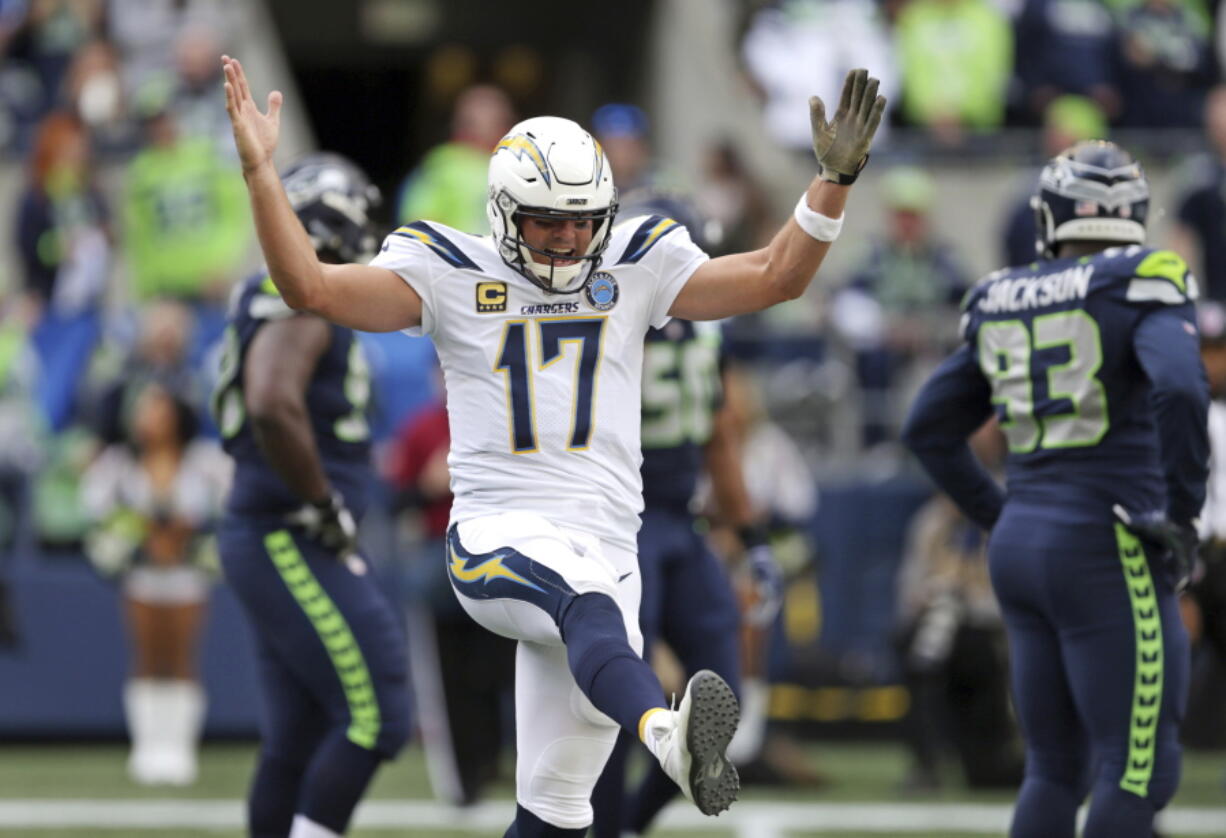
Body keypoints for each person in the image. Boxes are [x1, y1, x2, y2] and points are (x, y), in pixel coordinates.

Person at [223, 55, 884, 836]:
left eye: (581, 222)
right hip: (498, 534)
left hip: (611, 547)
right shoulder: (447, 269)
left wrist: (832, 183)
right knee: (587, 604)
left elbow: (776, 276)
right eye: (547, 222)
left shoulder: (637, 261)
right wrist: (262, 172)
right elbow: (311, 287)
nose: (568, 240)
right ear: (505, 212)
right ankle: (665, 734)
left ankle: (655, 733)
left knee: (558, 812)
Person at [902, 140, 1209, 837]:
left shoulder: (999, 293)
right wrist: (1182, 512)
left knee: (1053, 768)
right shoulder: (1145, 278)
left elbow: (927, 428)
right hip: (1108, 539)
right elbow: (1183, 388)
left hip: (1023, 543)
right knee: (1138, 770)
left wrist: (1002, 513)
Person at [213, 152, 411, 838]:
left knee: (296, 734)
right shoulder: (300, 297)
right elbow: (271, 401)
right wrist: (322, 503)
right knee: (378, 713)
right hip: (289, 528)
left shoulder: (278, 293)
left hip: (270, 527)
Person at [588, 191, 784, 838]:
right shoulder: (602, 317)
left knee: (719, 701)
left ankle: (626, 826)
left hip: (680, 520)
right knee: (619, 697)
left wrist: (750, 536)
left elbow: (718, 436)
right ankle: (609, 824)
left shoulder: (703, 330)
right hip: (618, 521)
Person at [81, 379, 230, 786]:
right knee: (147, 658)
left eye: (157, 409)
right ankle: (147, 748)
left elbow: (230, 505)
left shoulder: (203, 460)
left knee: (182, 659)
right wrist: (138, 537)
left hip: (187, 577)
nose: (147, 418)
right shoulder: (120, 462)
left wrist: (189, 538)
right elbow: (95, 508)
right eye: (143, 410)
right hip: (143, 576)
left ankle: (180, 749)